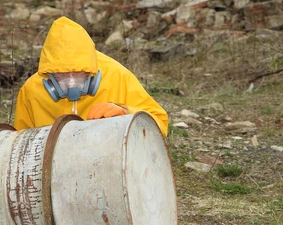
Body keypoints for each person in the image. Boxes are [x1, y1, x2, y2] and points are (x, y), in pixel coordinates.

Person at [12, 16, 169, 137]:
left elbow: (160, 124)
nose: (72, 81)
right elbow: (20, 141)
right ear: (49, 74)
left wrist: (126, 112)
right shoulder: (31, 90)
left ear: (91, 69)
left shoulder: (117, 75)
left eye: (79, 73)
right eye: (62, 75)